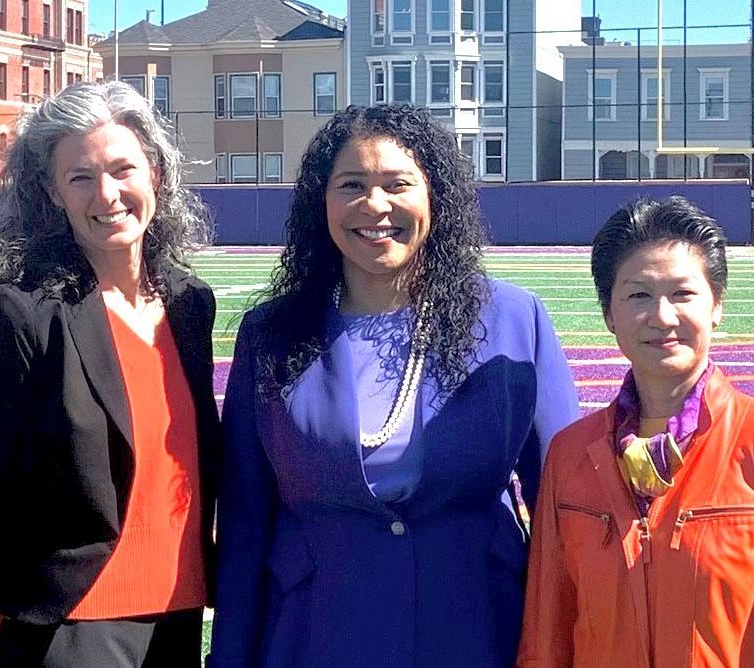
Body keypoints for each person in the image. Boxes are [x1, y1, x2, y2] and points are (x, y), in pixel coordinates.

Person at [208, 104, 579, 667]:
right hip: (318, 635)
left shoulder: (513, 319)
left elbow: (565, 503)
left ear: (434, 195)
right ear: (322, 202)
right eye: (351, 185)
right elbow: (244, 522)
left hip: (479, 630)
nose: (374, 205)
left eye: (397, 184)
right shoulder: (272, 335)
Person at [0, 80, 220, 667]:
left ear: (155, 170)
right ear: (52, 192)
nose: (108, 194)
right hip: (71, 628)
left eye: (123, 168)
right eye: (81, 177)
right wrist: (8, 613)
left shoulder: (189, 303)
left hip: (180, 614)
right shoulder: (20, 312)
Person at [518, 196, 754, 666]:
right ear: (609, 314)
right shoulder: (570, 454)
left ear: (716, 306)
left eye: (682, 294)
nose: (661, 317)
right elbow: (546, 634)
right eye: (638, 294)